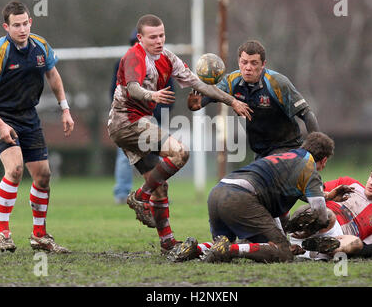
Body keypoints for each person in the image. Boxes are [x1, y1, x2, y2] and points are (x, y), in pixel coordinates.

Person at [107, 14, 253, 252]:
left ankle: (167, 243)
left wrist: (231, 101)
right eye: (152, 37)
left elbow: (200, 85)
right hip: (126, 122)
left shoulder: (168, 58)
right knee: (180, 153)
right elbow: (133, 88)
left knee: (160, 185)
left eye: (162, 35)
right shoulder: (134, 56)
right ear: (140, 38)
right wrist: (151, 95)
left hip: (140, 122)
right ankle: (140, 197)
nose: (158, 40)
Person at [0, 1, 74, 253]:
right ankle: (3, 233)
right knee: (15, 169)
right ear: (6, 27)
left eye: (25, 23)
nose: (22, 29)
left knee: (43, 175)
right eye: (16, 25)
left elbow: (53, 74)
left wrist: (65, 109)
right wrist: (0, 124)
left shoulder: (40, 46)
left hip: (29, 116)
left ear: (31, 22)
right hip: (1, 115)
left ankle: (39, 236)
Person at [168, 132, 335, 263]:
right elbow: (320, 214)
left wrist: (285, 234)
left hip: (218, 191)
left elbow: (279, 211)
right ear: (325, 159)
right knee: (283, 252)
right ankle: (229, 250)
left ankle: (195, 248)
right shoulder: (308, 168)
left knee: (230, 242)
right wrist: (311, 230)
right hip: (240, 198)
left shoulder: (287, 157)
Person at [187, 40, 319, 158]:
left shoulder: (277, 83)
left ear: (263, 64)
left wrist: (316, 150)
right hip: (261, 153)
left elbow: (307, 114)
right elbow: (208, 97)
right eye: (244, 62)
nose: (248, 67)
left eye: (254, 63)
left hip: (287, 148)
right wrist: (197, 103)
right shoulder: (231, 81)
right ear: (239, 62)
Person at [289, 160, 372, 260]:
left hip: (337, 239)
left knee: (357, 243)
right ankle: (295, 231)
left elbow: (364, 249)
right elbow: (312, 193)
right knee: (327, 214)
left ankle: (317, 250)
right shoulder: (349, 184)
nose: (371, 182)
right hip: (314, 224)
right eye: (371, 176)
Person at [109, 29, 175, 204]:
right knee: (124, 158)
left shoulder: (163, 65)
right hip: (129, 121)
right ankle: (122, 194)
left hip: (153, 120)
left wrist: (157, 114)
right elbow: (115, 92)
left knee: (158, 157)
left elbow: (169, 94)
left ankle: (157, 193)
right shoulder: (124, 63)